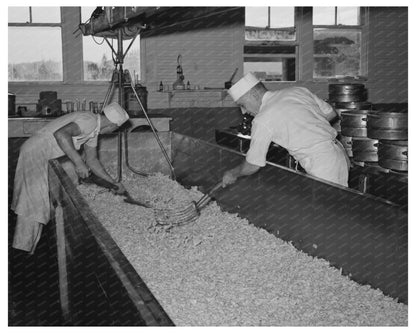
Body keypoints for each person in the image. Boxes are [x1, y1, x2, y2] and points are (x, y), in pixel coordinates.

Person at [11, 102, 130, 254]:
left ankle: (29, 249)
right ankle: (20, 254)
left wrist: (113, 183)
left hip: (44, 156)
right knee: (32, 205)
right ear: (113, 125)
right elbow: (61, 134)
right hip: (36, 154)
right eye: (116, 128)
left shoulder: (94, 131)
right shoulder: (90, 120)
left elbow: (93, 161)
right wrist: (79, 163)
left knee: (38, 205)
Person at [222, 72, 350, 188]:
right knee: (340, 204)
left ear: (254, 94)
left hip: (321, 163)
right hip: (339, 154)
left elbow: (253, 165)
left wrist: (233, 173)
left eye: (242, 105)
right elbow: (331, 113)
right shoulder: (297, 91)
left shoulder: (262, 119)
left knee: (328, 209)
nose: (245, 111)